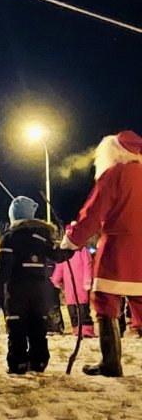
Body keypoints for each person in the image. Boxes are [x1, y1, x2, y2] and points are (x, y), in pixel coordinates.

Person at [62, 130, 142, 377]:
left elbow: (94, 213)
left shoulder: (114, 174)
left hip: (118, 247)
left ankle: (111, 363)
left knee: (105, 300)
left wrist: (71, 240)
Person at [0, 195, 72, 375]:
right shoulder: (42, 236)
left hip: (18, 290)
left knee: (17, 326)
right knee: (38, 325)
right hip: (40, 289)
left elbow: (5, 267)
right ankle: (39, 361)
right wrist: (70, 249)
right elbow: (57, 255)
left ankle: (18, 363)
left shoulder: (10, 238)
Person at [51, 244, 95, 337]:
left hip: (81, 283)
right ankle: (76, 328)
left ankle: (86, 329)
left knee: (83, 307)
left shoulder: (82, 250)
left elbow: (88, 264)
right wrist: (56, 279)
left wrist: (87, 280)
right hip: (69, 284)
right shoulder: (64, 252)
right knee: (72, 308)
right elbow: (60, 266)